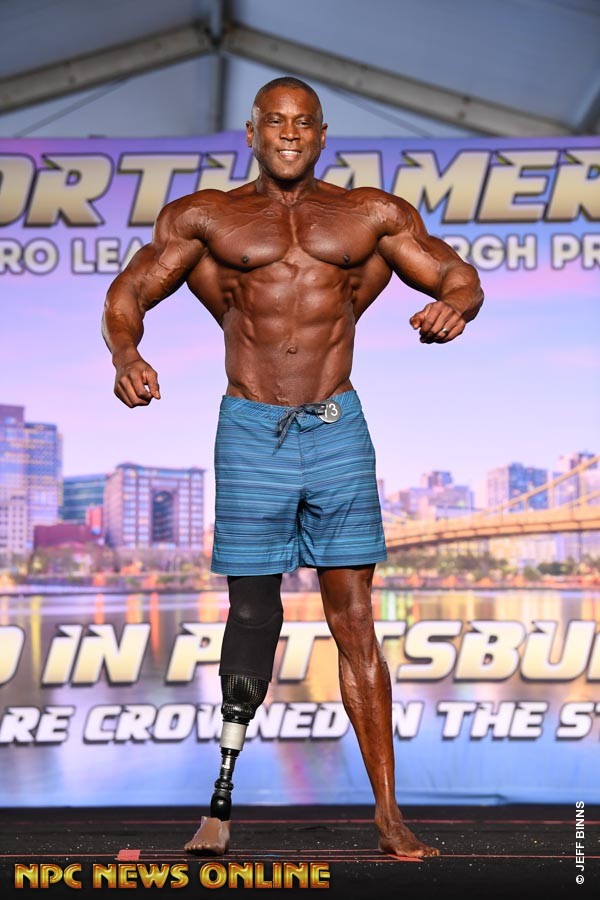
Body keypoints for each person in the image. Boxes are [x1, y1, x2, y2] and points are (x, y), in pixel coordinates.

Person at [102, 76, 483, 860]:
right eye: (274, 121)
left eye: (302, 122)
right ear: (252, 132)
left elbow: (457, 273)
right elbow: (129, 291)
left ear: (321, 134)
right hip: (250, 427)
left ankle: (388, 814)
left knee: (354, 618)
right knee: (253, 615)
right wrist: (127, 354)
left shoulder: (371, 214)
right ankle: (221, 799)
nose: (288, 133)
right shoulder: (206, 216)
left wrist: (457, 305)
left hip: (336, 425)